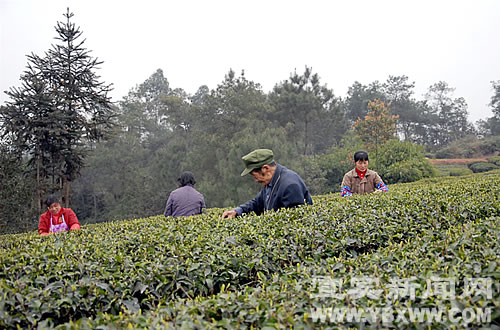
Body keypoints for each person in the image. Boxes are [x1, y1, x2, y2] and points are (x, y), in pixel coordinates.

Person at [222, 149, 313, 218]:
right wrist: (237, 211)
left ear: (265, 168)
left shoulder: (289, 185)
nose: (256, 180)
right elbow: (257, 203)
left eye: (255, 176)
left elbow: (296, 221)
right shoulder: (270, 181)